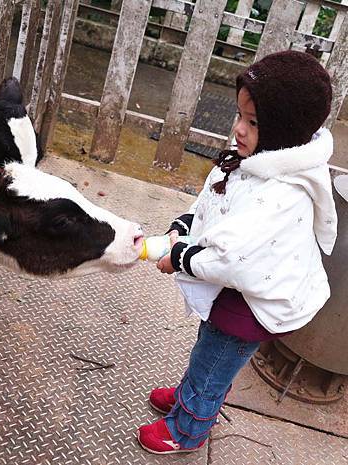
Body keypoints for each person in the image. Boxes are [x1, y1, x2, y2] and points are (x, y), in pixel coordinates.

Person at [137, 50, 338, 455]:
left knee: (214, 364)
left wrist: (179, 258)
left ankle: (187, 430)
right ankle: (188, 398)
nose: (238, 130)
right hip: (240, 287)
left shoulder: (281, 193)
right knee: (210, 352)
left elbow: (232, 258)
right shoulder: (258, 162)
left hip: (255, 300)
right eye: (239, 116)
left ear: (285, 129)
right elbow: (213, 204)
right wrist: (183, 225)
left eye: (253, 122)